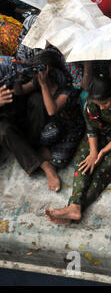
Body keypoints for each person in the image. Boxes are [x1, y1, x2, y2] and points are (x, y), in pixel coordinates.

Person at [44, 74, 111, 225]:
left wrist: (102, 152)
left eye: (105, 103)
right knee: (84, 162)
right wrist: (93, 152)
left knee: (103, 170)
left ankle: (72, 212)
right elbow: (92, 127)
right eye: (98, 104)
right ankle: (74, 207)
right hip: (99, 136)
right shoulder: (92, 103)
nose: (101, 107)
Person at [1, 49, 84, 192]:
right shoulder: (39, 79)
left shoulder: (65, 85)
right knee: (4, 131)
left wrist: (41, 84)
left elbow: (51, 110)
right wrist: (16, 79)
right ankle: (43, 165)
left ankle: (31, 150)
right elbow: (22, 89)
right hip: (46, 122)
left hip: (67, 125)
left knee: (38, 103)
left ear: (47, 69)